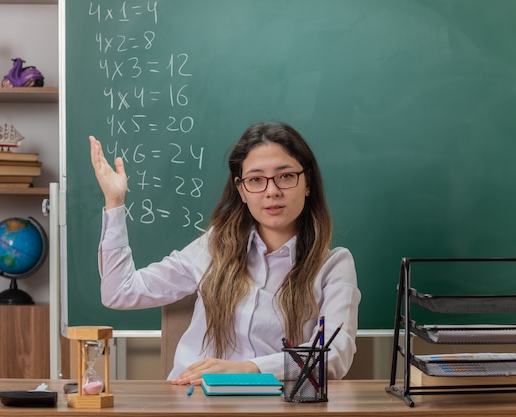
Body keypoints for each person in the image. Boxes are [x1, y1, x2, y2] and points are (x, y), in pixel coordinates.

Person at [89, 121, 361, 385]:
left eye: (286, 176)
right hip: (193, 400)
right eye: (256, 180)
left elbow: (334, 355)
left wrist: (249, 369)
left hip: (275, 405)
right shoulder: (214, 246)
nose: (272, 191)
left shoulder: (333, 265)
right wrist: (115, 202)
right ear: (241, 189)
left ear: (308, 182)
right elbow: (119, 291)